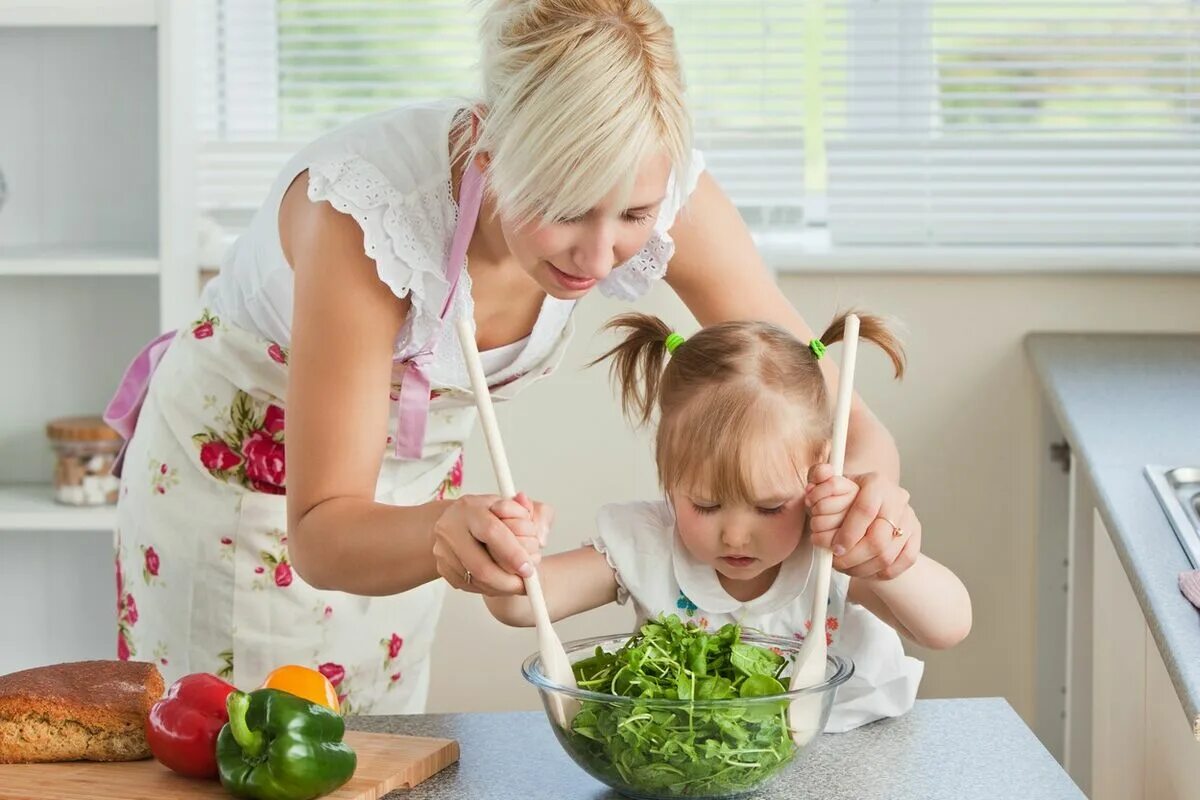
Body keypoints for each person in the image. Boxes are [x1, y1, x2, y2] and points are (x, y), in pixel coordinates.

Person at [105, 0, 918, 715]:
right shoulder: (368, 216)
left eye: (632, 214)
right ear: (490, 153)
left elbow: (848, 425)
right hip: (243, 494)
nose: (600, 256)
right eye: (566, 208)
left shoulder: (660, 183)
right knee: (240, 747)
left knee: (371, 747)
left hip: (418, 498)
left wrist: (874, 506)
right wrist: (440, 530)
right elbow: (319, 535)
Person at [484, 312, 972, 730]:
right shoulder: (647, 543)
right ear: (668, 475)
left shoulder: (831, 543)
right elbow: (521, 608)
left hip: (849, 751)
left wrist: (889, 559)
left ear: (821, 465)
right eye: (706, 505)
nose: (736, 534)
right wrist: (507, 548)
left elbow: (947, 628)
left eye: (769, 507)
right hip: (697, 764)